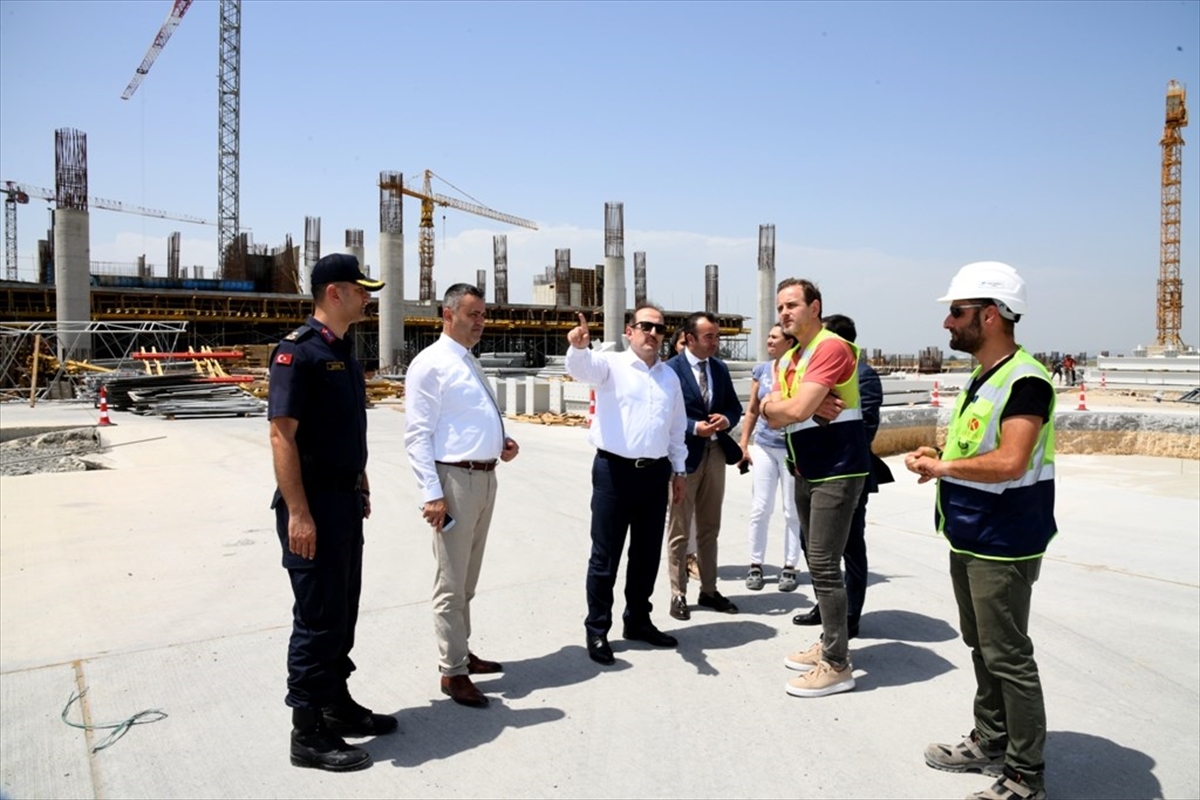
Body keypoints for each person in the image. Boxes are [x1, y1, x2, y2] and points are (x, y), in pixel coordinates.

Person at [905, 262, 1055, 800]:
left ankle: (1025, 775)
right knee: (983, 647)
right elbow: (980, 447)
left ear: (989, 315)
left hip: (1004, 540)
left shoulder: (1026, 380)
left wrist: (943, 467)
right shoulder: (985, 376)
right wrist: (941, 455)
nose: (947, 322)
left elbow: (1012, 461)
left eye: (956, 312)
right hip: (971, 534)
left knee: (1008, 656)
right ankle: (992, 739)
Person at [268, 253, 395, 772]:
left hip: (344, 501)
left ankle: (334, 703)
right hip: (313, 506)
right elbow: (282, 436)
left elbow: (345, 431)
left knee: (342, 611)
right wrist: (299, 514)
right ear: (334, 293)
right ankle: (307, 731)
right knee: (317, 619)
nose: (368, 298)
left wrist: (359, 479)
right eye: (361, 290)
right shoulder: (298, 353)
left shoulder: (343, 352)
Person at [404, 283, 520, 708]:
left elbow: (465, 420)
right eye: (473, 314)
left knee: (467, 580)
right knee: (450, 583)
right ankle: (452, 671)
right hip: (454, 482)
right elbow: (417, 435)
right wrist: (432, 495)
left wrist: (500, 443)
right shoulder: (431, 364)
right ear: (448, 315)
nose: (480, 322)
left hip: (483, 478)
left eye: (483, 315)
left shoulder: (468, 360)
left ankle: (461, 651)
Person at [761, 278, 869, 698]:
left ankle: (837, 664)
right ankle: (830, 641)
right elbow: (774, 411)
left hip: (836, 470)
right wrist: (776, 407)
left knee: (824, 564)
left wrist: (789, 408)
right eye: (780, 307)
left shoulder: (830, 347)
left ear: (815, 308)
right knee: (816, 559)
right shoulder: (791, 358)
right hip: (806, 468)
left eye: (792, 305)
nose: (784, 313)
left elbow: (794, 409)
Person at [566, 305, 688, 665]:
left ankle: (638, 620)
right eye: (645, 326)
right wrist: (578, 347)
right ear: (629, 331)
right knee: (605, 557)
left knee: (646, 555)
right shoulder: (610, 365)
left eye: (659, 329)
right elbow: (580, 369)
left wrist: (679, 471)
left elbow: (676, 429)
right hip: (613, 473)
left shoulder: (669, 378)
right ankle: (597, 628)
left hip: (655, 474)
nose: (653, 333)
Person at [792, 313, 893, 637]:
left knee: (849, 547)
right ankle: (826, 606)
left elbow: (866, 427)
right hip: (814, 473)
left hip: (847, 473)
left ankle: (850, 616)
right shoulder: (814, 372)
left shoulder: (864, 376)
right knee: (812, 544)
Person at [665, 311, 744, 620]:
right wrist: (692, 427)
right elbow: (664, 413)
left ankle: (709, 590)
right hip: (683, 456)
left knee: (710, 526)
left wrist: (727, 419)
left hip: (715, 454)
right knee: (680, 528)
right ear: (689, 339)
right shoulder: (670, 370)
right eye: (709, 337)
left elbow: (734, 407)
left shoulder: (719, 368)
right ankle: (678, 593)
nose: (715, 342)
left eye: (717, 337)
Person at [737, 323, 802, 592]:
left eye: (775, 337)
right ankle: (756, 564)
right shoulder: (762, 370)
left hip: (791, 448)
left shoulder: (801, 370)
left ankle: (790, 566)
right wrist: (744, 444)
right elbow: (752, 409)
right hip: (764, 445)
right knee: (760, 507)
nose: (769, 341)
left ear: (789, 342)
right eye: (768, 337)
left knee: (791, 510)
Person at [670, 328, 701, 582]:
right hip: (669, 450)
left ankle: (690, 557)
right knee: (673, 515)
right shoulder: (667, 373)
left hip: (693, 450)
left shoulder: (707, 371)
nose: (685, 348)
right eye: (682, 343)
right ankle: (678, 562)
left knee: (689, 513)